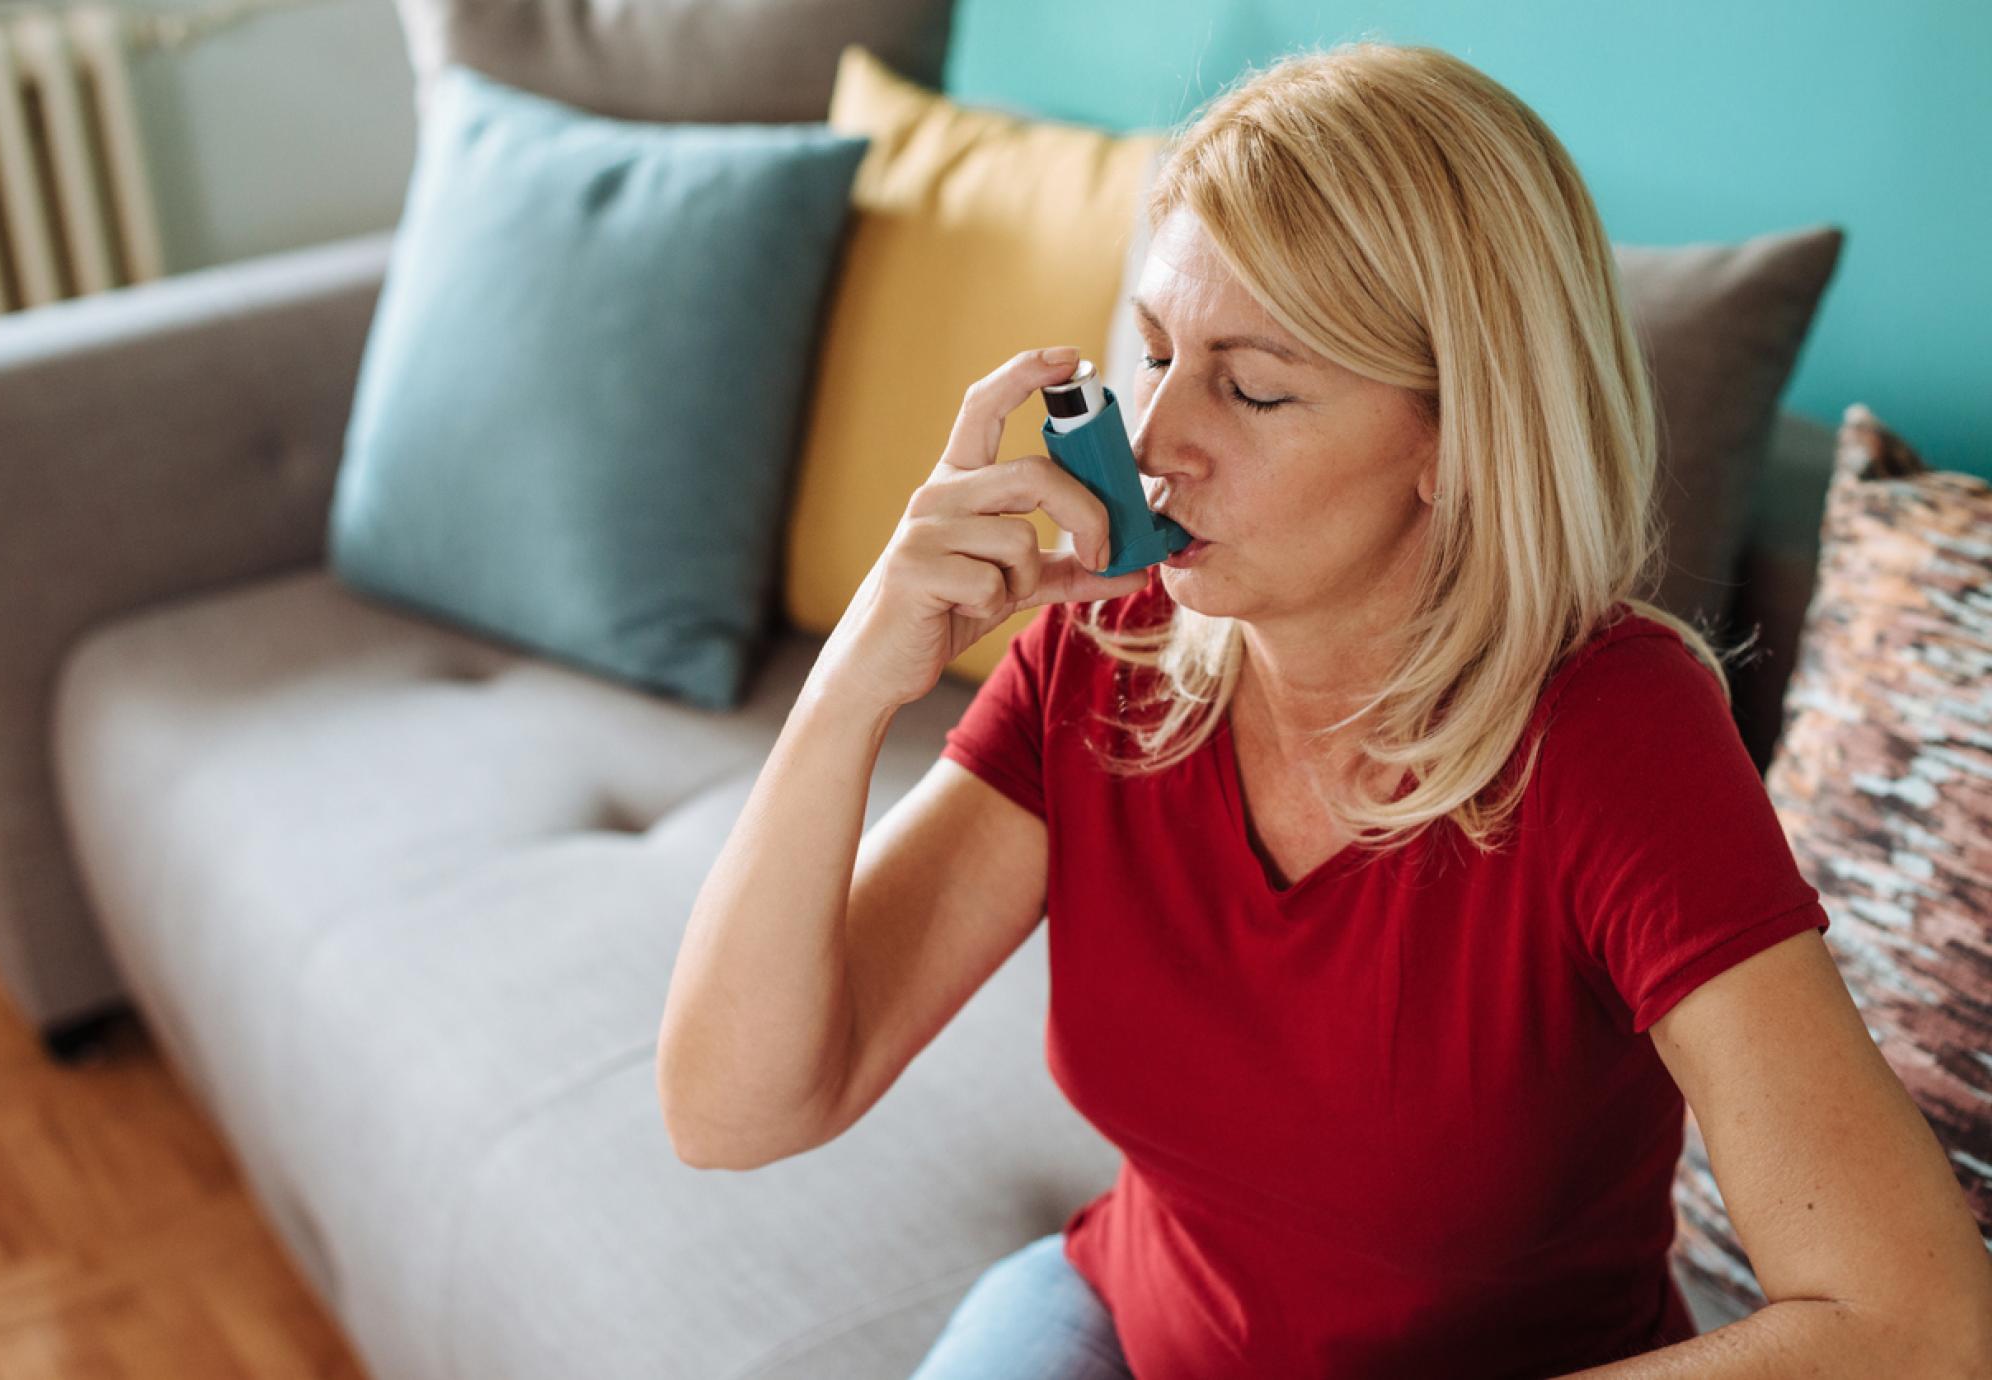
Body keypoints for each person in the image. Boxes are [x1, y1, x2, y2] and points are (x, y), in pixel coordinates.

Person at [656, 38, 1992, 1380]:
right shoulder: (1108, 652)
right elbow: (737, 1109)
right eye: (1159, 350)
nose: (1155, 439)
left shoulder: (1613, 735)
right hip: (1120, 1319)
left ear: (1456, 440)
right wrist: (852, 686)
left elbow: (1912, 1325)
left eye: (1252, 385)